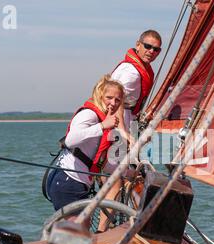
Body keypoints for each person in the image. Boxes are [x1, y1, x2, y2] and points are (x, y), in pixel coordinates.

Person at [47, 75, 124, 212]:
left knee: (83, 226)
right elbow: (71, 140)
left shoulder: (105, 120)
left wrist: (127, 172)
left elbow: (101, 162)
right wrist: (102, 126)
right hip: (68, 180)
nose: (113, 103)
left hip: (80, 183)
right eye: (109, 98)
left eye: (117, 100)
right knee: (74, 229)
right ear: (100, 96)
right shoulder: (89, 115)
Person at [111, 30, 162, 144]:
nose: (151, 51)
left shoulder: (139, 69)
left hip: (127, 118)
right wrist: (122, 130)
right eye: (148, 46)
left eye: (156, 49)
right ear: (138, 45)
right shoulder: (131, 72)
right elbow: (116, 100)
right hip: (117, 120)